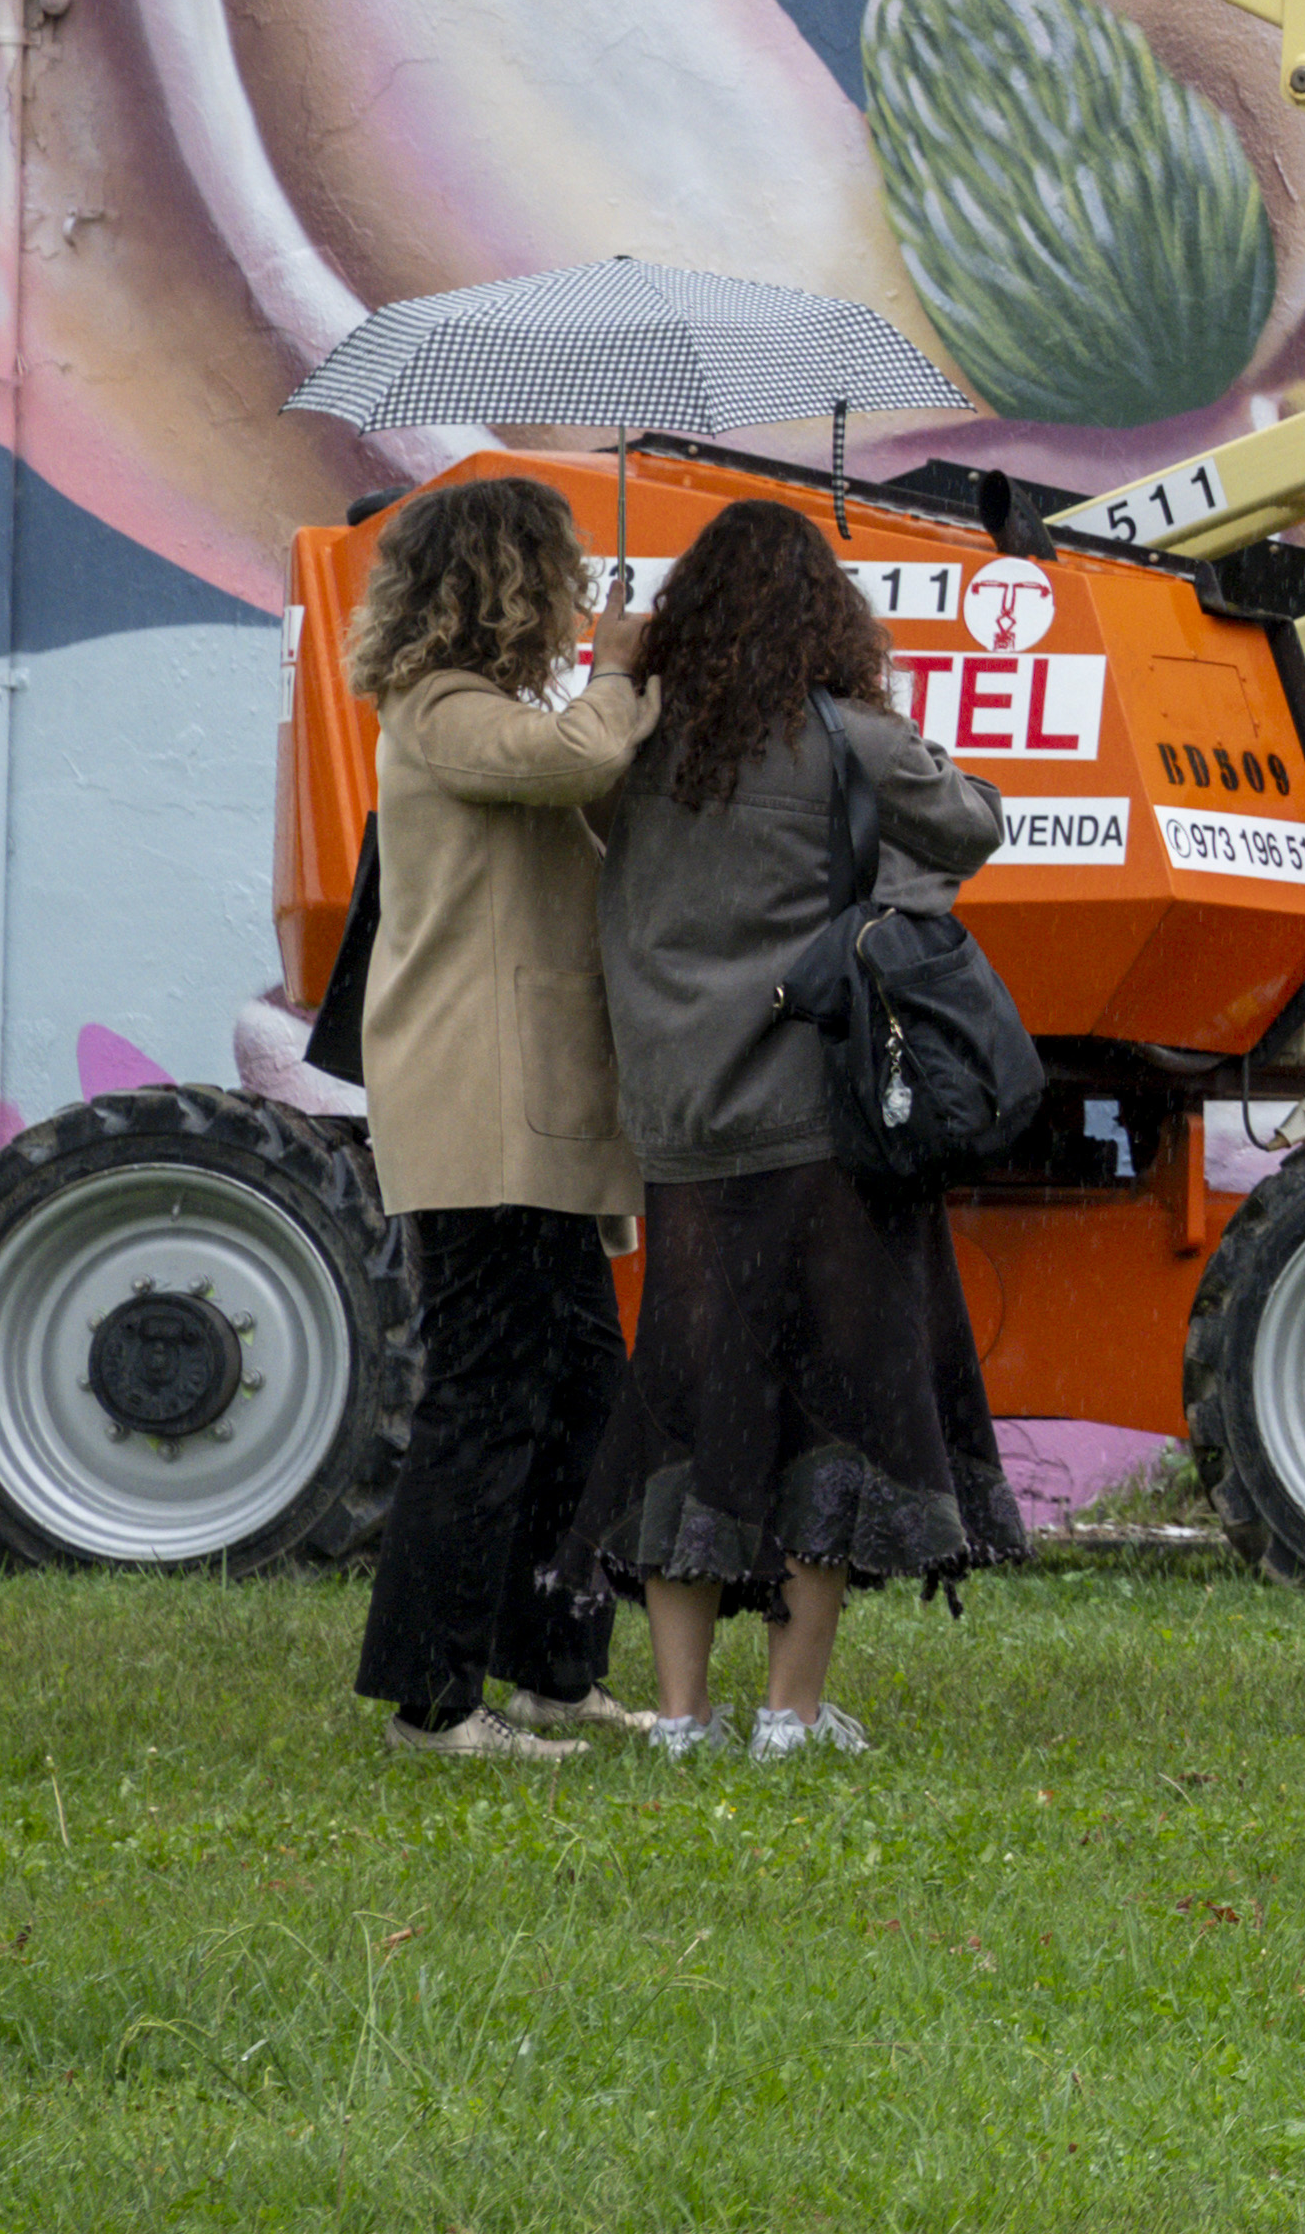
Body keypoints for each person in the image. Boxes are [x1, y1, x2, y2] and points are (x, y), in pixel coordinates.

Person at [568, 497, 1024, 1756]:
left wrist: (614, 655)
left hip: (686, 1128)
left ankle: (676, 1716)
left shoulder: (636, 741)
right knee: (831, 1406)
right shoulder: (849, 736)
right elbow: (974, 827)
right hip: (821, 1126)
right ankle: (791, 1712)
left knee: (689, 1401)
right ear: (827, 618)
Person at [338, 472, 645, 1764]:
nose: (576, 589)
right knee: (487, 1399)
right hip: (479, 1115)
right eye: (559, 570)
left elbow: (595, 784)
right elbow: (580, 756)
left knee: (579, 1393)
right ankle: (431, 1701)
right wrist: (619, 670)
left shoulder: (490, 718)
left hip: (537, 1113)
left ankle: (552, 1673)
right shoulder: (440, 711)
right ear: (508, 580)